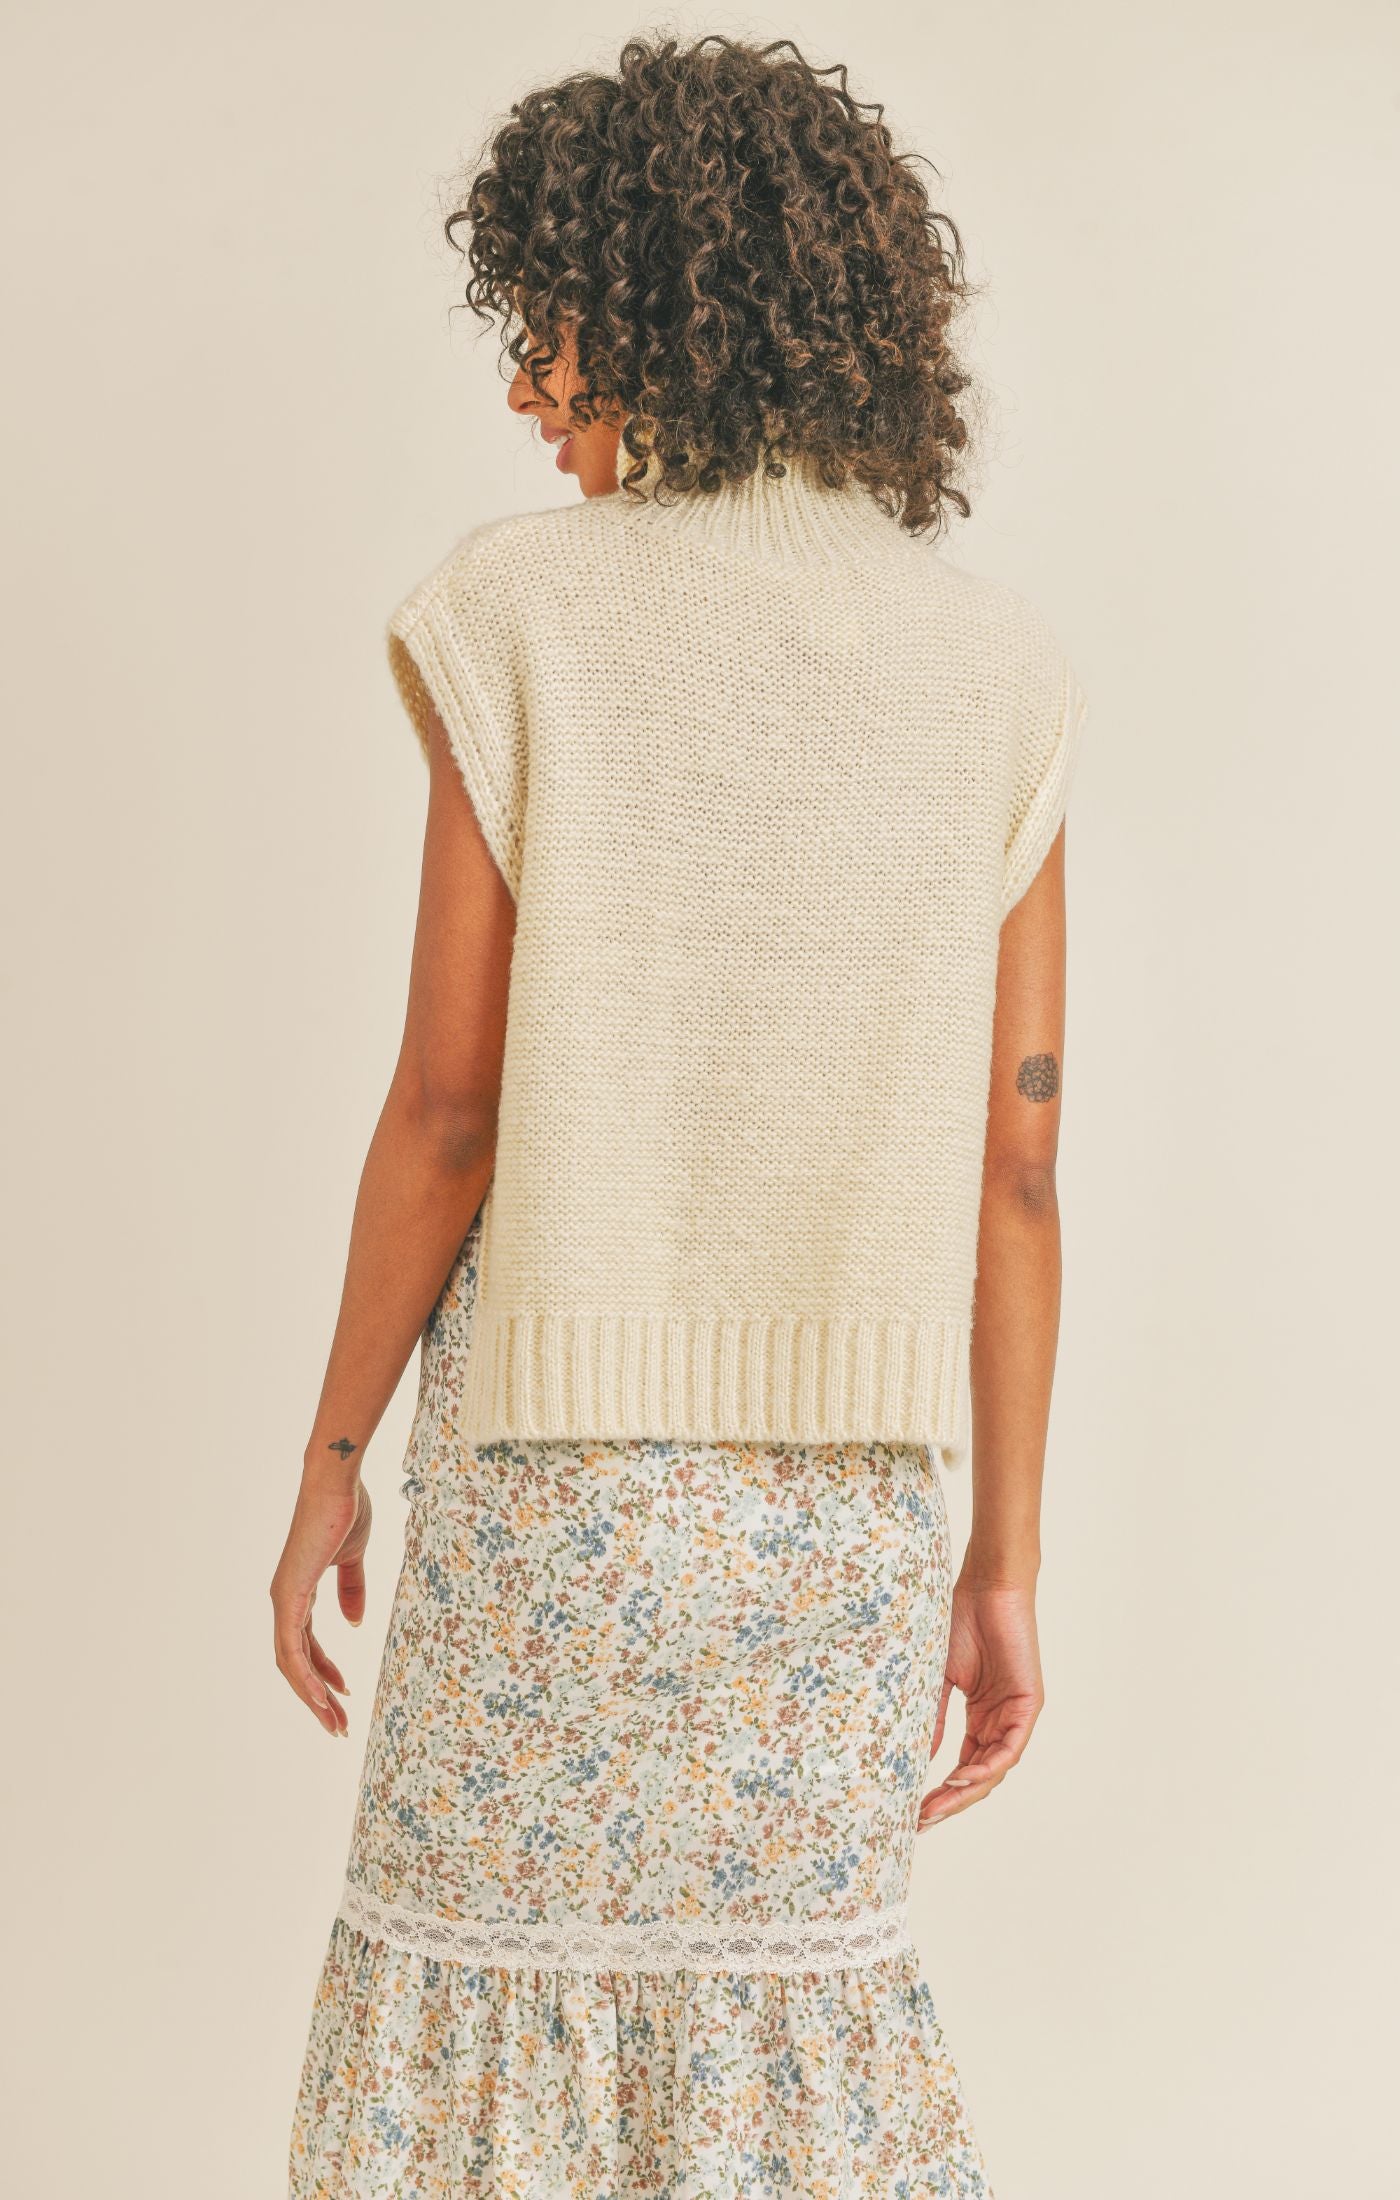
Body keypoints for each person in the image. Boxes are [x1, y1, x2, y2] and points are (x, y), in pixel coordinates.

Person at [276, 32, 1087, 2197]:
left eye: (547, 322)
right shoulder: (994, 669)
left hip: (549, 1497)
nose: (522, 386)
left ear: (656, 306)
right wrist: (1001, 1563)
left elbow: (449, 1110)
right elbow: (1017, 1165)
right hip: (844, 1527)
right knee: (786, 2051)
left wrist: (333, 1460)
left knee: (475, 2061)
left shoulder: (518, 613)